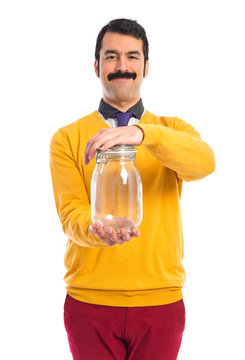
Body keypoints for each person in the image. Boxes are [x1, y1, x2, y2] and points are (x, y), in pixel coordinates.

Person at [49, 18, 215, 360]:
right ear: (96, 66)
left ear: (146, 66)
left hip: (160, 300)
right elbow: (70, 214)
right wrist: (97, 231)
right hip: (90, 300)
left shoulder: (171, 131)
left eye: (132, 57)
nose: (121, 66)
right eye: (111, 56)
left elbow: (205, 163)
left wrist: (143, 134)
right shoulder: (67, 138)